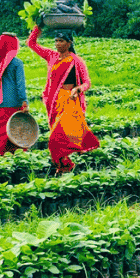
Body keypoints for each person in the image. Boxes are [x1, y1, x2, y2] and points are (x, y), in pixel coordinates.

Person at [27, 25, 100, 173]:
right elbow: (31, 44)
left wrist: (77, 89)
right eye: (56, 41)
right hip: (54, 102)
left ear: (69, 43)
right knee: (56, 137)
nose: (57, 44)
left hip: (70, 101)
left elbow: (87, 82)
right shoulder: (51, 56)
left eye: (61, 41)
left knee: (56, 139)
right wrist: (39, 26)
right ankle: (64, 167)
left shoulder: (76, 61)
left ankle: (66, 164)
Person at [0, 33, 29, 156]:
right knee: (14, 129)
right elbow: (20, 85)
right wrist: (24, 101)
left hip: (2, 102)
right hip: (15, 102)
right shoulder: (17, 63)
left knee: (1, 128)